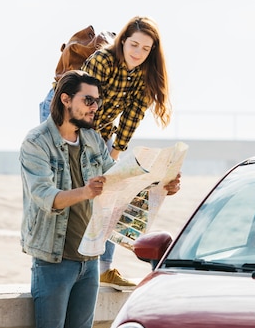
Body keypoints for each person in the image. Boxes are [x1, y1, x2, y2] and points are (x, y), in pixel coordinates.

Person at [21, 70, 181, 328]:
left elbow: (119, 181)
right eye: (88, 100)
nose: (95, 107)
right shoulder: (36, 142)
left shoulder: (93, 140)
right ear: (65, 99)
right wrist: (86, 191)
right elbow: (44, 197)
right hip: (53, 261)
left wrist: (161, 185)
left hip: (89, 260)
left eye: (97, 101)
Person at [39, 15, 173, 289]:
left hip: (100, 128)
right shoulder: (102, 61)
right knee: (70, 183)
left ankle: (103, 268)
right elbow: (84, 104)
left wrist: (113, 157)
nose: (138, 53)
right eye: (134, 45)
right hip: (63, 113)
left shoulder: (145, 75)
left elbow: (131, 118)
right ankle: (54, 259)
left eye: (145, 49)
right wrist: (96, 156)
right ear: (123, 41)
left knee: (112, 188)